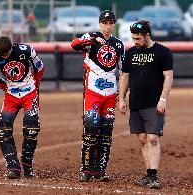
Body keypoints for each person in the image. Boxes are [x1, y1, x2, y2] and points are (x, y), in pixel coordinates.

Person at [118, 20, 173, 189]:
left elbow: (168, 77)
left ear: (147, 35)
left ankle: (154, 176)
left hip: (154, 103)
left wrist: (163, 99)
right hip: (136, 102)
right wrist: (121, 98)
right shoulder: (131, 53)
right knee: (142, 139)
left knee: (152, 138)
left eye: (138, 38)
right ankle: (148, 174)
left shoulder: (162, 52)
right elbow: (124, 77)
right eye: (133, 38)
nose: (135, 41)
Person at [71, 10, 125, 182]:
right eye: (105, 23)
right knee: (91, 128)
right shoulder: (91, 38)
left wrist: (123, 95)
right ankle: (86, 169)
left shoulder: (118, 44)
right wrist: (93, 39)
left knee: (106, 131)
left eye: (111, 23)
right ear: (100, 23)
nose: (108, 27)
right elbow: (74, 44)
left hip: (111, 93)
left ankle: (101, 170)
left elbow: (123, 71)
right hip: (93, 92)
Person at [0, 36, 44, 179]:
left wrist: (35, 87)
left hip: (29, 93)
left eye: (7, 53)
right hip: (11, 95)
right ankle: (13, 166)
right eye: (3, 55)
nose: (6, 56)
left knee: (31, 129)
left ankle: (27, 165)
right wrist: (6, 87)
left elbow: (39, 68)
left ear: (12, 47)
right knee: (2, 129)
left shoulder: (26, 50)